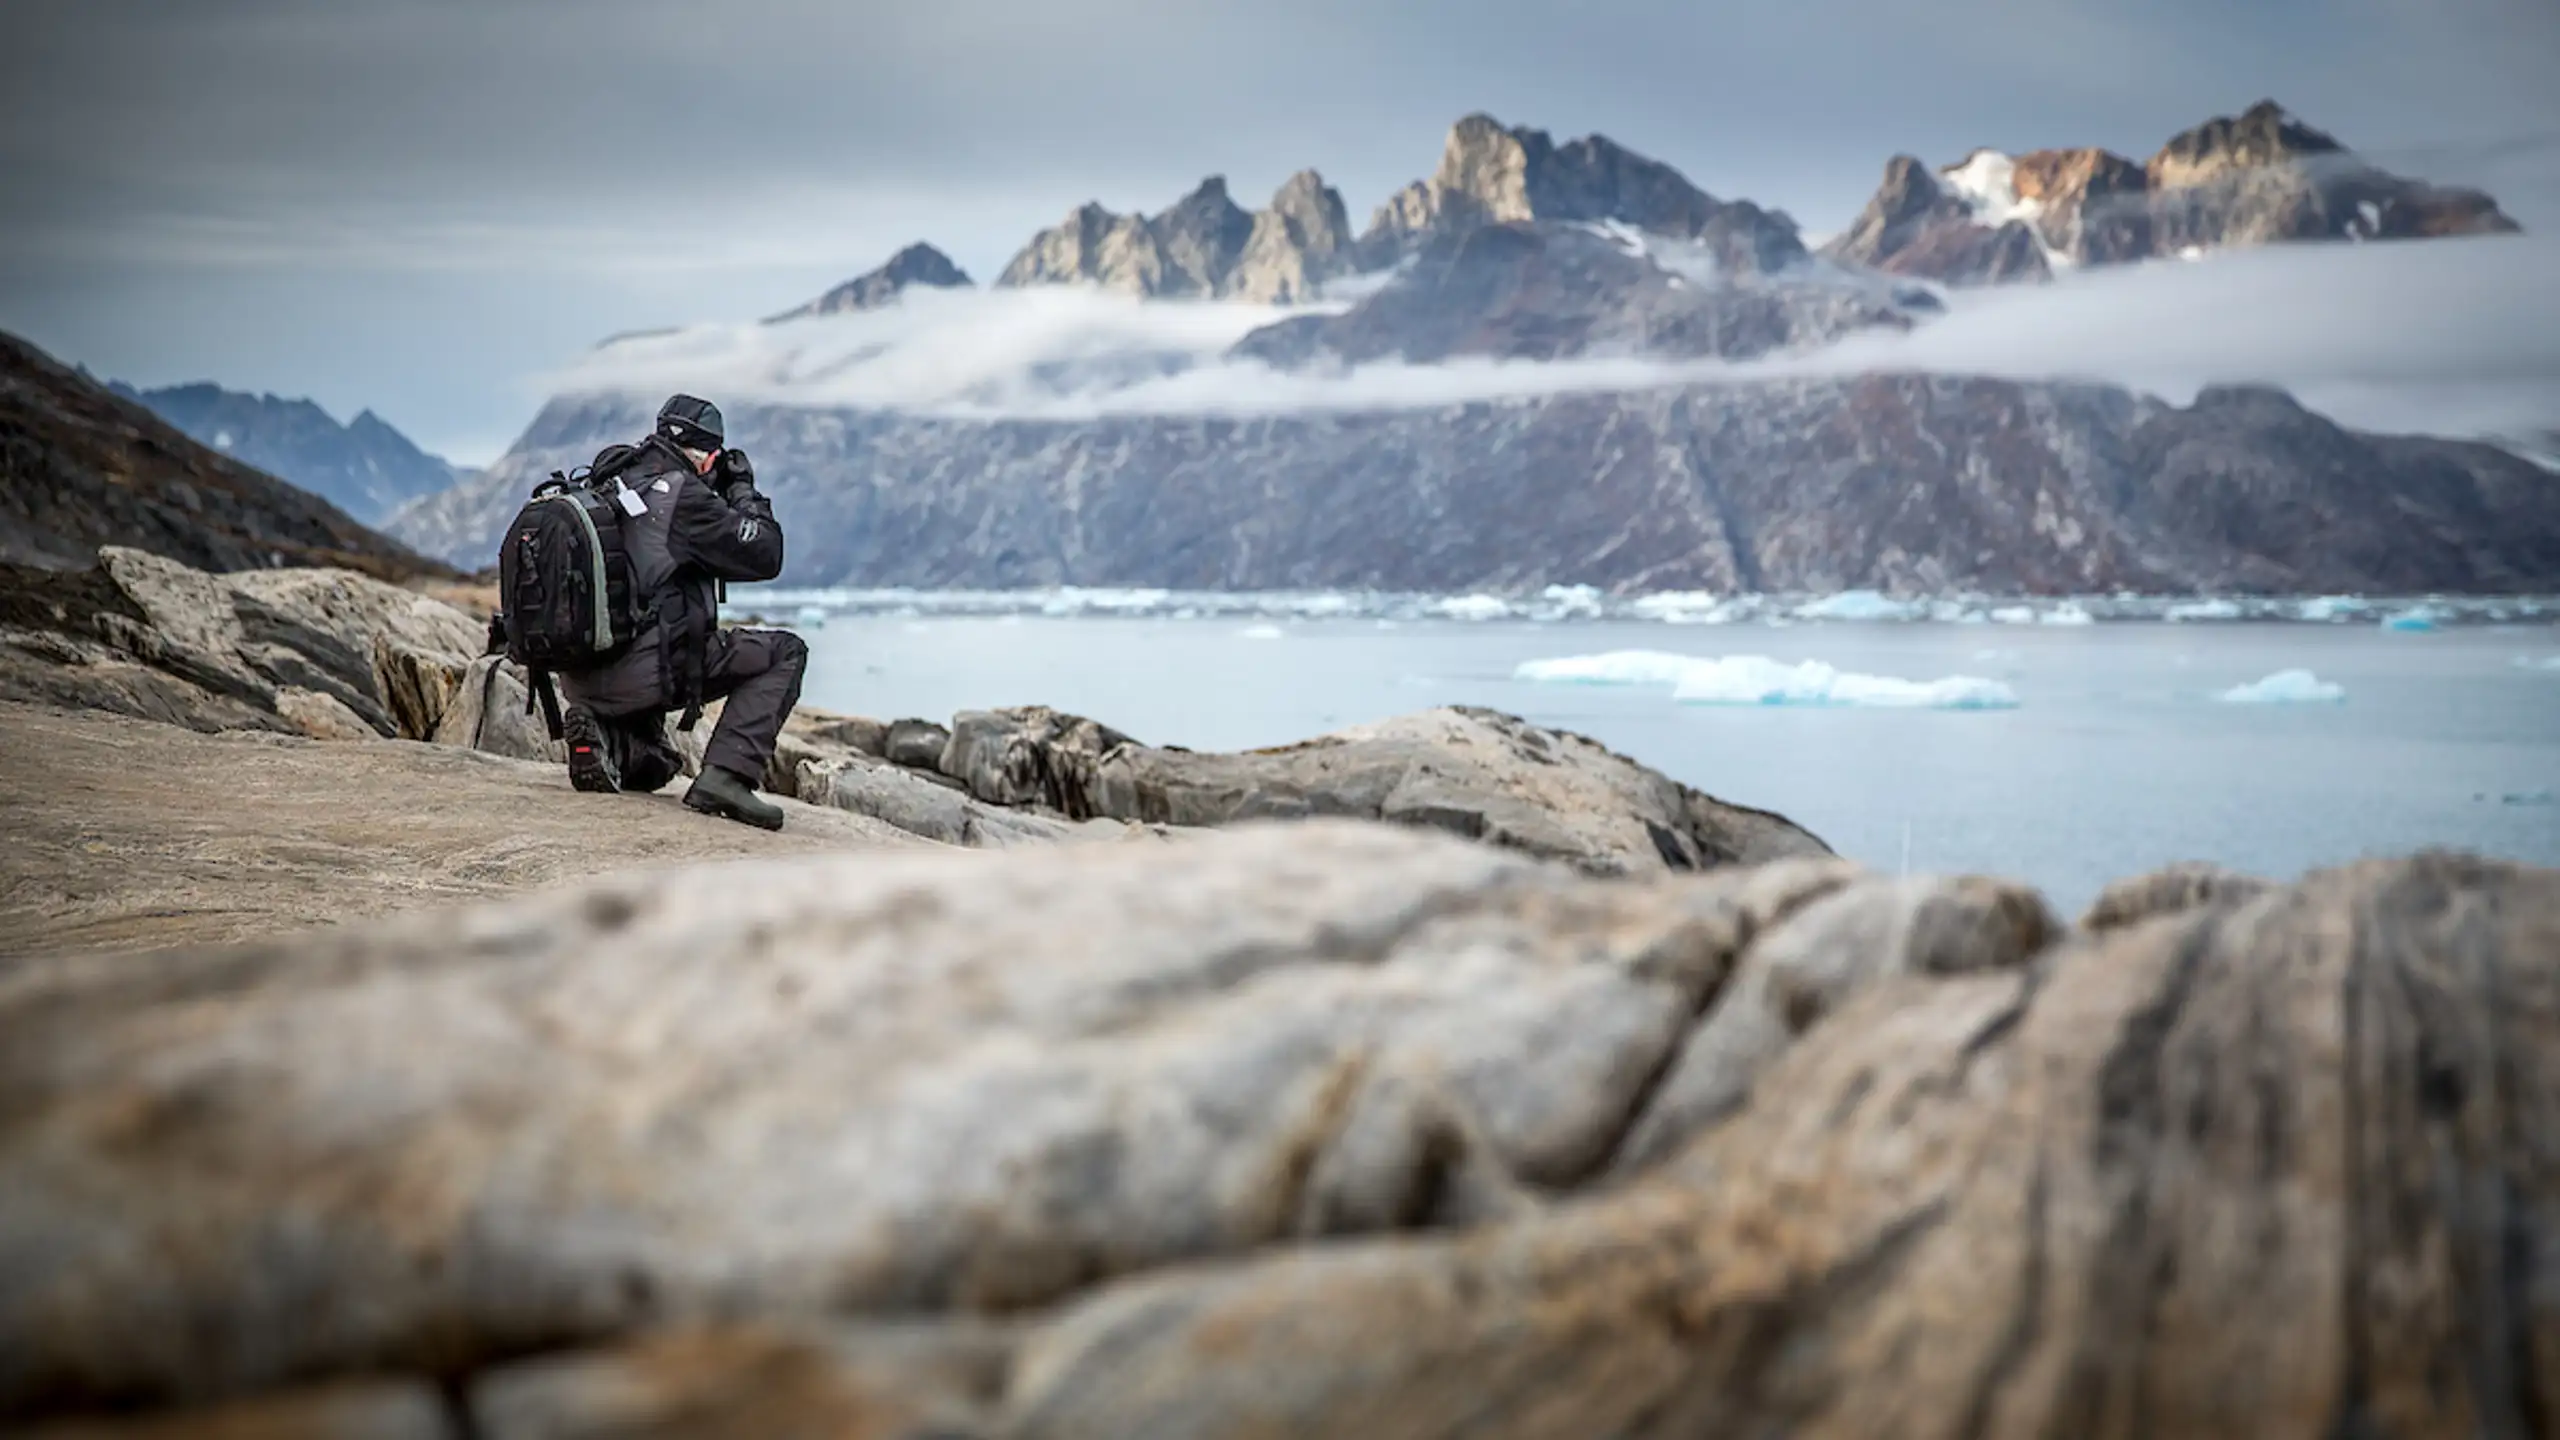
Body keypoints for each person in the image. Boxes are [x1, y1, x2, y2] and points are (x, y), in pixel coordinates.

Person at [556, 393, 807, 831]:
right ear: (709, 458)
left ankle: (609, 736)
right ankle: (727, 778)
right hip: (648, 673)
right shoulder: (682, 496)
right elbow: (766, 554)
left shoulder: (610, 477)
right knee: (786, 651)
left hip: (582, 671)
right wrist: (743, 491)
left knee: (659, 766)